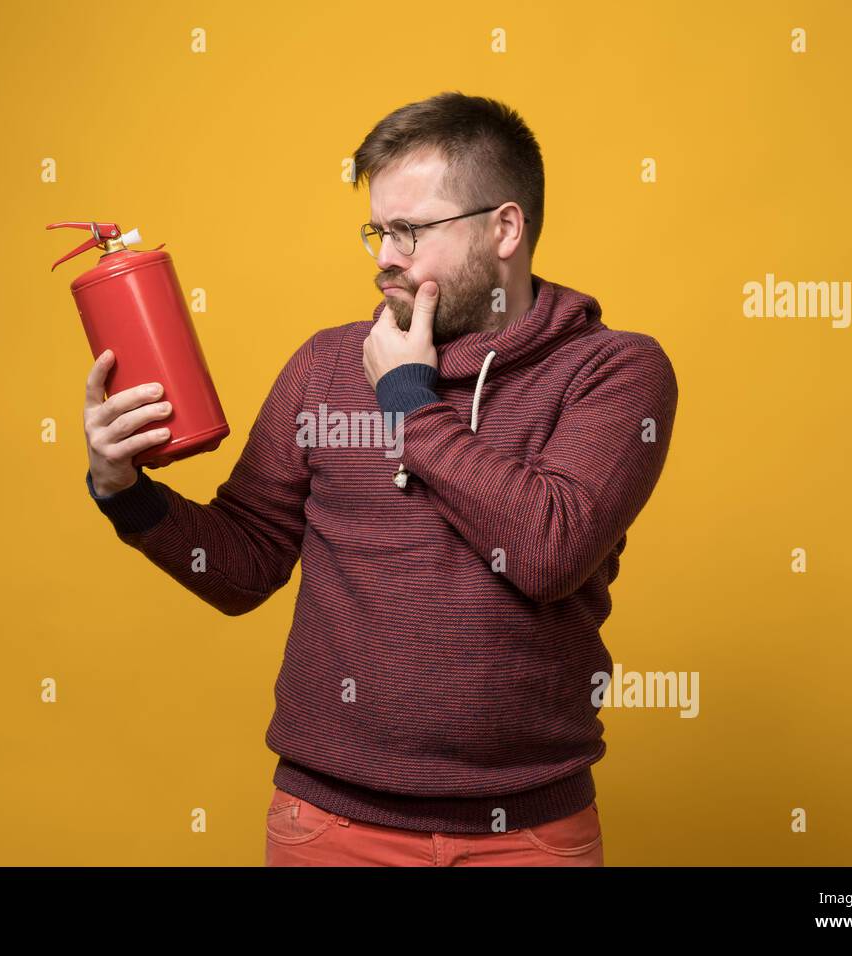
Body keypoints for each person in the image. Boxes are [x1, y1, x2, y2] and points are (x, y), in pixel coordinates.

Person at [82, 91, 678, 866]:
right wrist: (126, 492)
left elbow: (549, 551)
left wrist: (406, 400)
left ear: (505, 228)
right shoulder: (328, 365)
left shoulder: (615, 371)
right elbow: (244, 565)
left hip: (527, 835)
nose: (383, 256)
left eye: (410, 230)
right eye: (378, 229)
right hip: (330, 827)